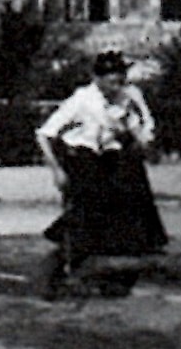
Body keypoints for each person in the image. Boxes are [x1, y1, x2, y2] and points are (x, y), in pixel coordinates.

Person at [34, 50, 168, 299]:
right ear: (98, 78)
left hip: (110, 156)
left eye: (121, 78)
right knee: (89, 210)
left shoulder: (129, 97)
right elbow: (44, 134)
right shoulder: (82, 99)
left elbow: (143, 132)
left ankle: (116, 272)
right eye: (112, 79)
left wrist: (135, 135)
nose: (118, 84)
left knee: (128, 204)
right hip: (80, 156)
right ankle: (59, 264)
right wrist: (56, 171)